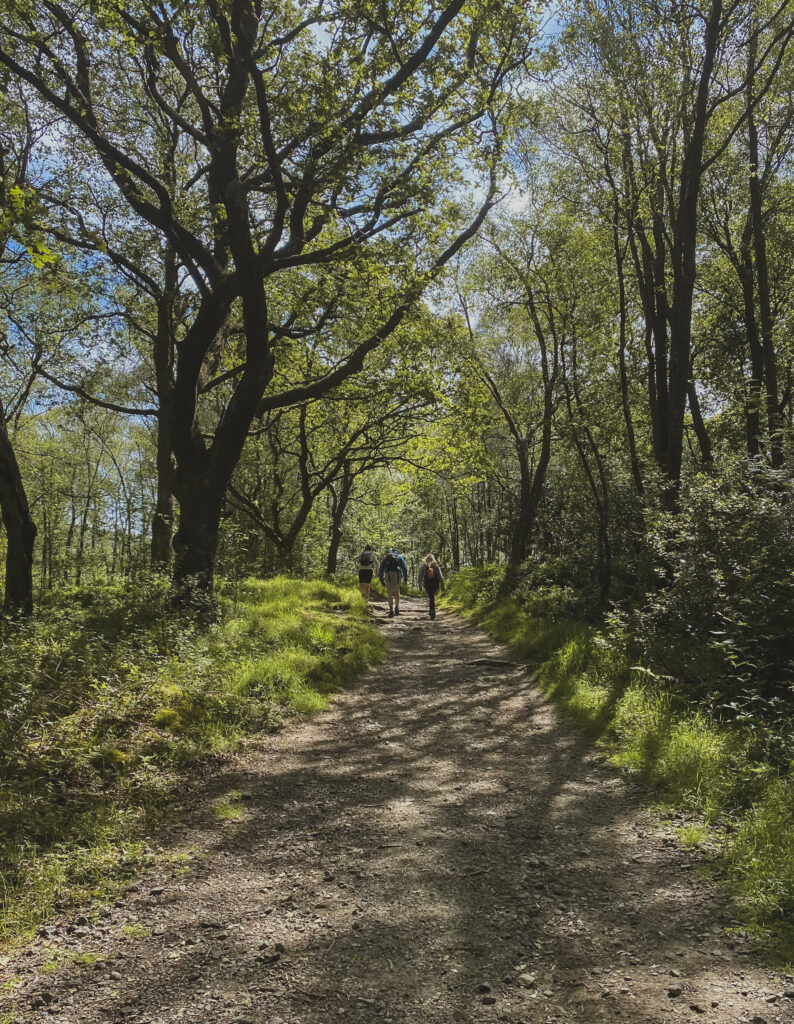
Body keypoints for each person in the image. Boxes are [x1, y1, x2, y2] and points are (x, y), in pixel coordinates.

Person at [378, 547, 408, 618]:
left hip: (388, 575)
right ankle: (397, 608)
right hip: (397, 575)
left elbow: (381, 570)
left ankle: (391, 609)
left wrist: (382, 580)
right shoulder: (400, 557)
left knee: (390, 593)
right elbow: (404, 568)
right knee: (397, 591)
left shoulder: (386, 558)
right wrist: (405, 579)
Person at [418, 553, 444, 620]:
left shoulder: (424, 566)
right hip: (435, 584)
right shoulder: (436, 566)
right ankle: (432, 612)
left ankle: (432, 612)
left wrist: (420, 586)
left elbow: (420, 577)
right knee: (432, 597)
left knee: (431, 597)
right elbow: (440, 577)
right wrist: (442, 585)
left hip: (427, 584)